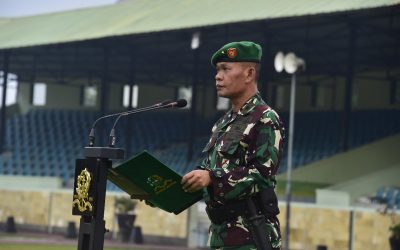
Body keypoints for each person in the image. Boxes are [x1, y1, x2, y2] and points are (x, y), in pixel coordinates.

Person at [182, 41, 285, 250]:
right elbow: (208, 171)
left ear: (249, 74)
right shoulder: (223, 123)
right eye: (218, 70)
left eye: (226, 69)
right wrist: (168, 192)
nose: (218, 76)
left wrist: (212, 178)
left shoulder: (265, 118)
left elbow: (261, 174)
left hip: (251, 235)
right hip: (221, 235)